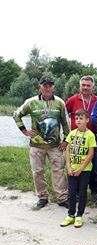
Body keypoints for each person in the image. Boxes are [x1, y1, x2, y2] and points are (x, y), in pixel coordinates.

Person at [13, 75, 69, 209]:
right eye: (45, 85)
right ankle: (42, 197)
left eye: (50, 85)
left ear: (53, 87)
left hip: (55, 145)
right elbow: (16, 114)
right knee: (37, 172)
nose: (47, 88)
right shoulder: (31, 102)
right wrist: (24, 131)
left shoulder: (60, 102)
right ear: (40, 87)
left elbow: (66, 123)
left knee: (59, 171)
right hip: (36, 145)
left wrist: (66, 140)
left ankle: (62, 198)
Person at [65, 75, 97, 203]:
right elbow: (63, 115)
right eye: (83, 85)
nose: (85, 88)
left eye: (88, 85)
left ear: (93, 87)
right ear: (80, 86)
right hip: (76, 138)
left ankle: (94, 191)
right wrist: (65, 135)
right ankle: (75, 193)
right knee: (77, 162)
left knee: (93, 166)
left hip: (92, 138)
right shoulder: (73, 99)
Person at [60, 109, 96, 228]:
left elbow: (91, 154)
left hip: (84, 170)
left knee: (82, 192)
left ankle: (79, 215)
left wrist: (81, 168)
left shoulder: (90, 135)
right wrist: (69, 167)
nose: (78, 120)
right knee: (71, 192)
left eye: (81, 118)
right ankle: (71, 215)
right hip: (72, 169)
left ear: (87, 120)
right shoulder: (72, 133)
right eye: (77, 118)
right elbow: (68, 151)